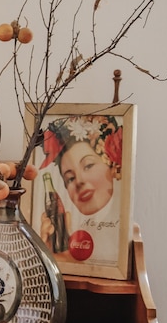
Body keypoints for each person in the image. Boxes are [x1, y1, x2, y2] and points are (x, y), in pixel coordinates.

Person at [38, 114, 123, 266]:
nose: (79, 181)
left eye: (88, 165)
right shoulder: (70, 232)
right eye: (70, 178)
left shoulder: (119, 234)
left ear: (111, 162)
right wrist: (57, 257)